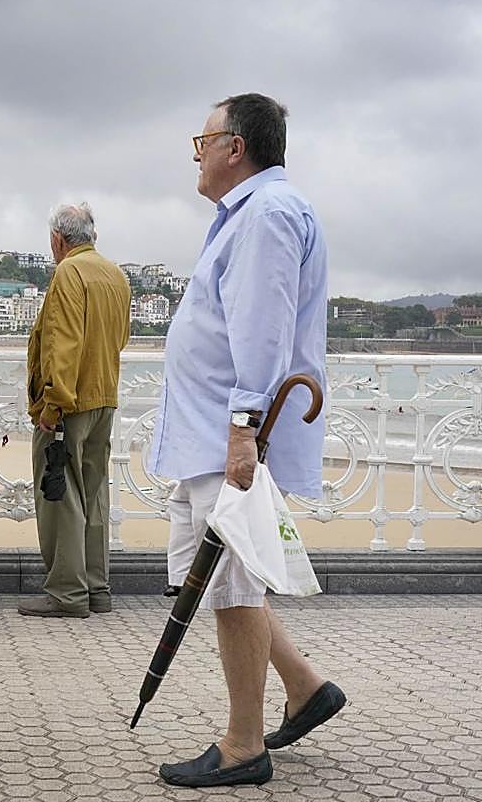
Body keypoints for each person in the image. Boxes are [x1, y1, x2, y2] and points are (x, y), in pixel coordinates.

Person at [150, 94, 346, 787]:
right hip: (211, 430)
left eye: (201, 141)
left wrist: (241, 431)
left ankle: (242, 745)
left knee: (231, 583)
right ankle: (303, 685)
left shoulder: (265, 214)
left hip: (226, 434)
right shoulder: (253, 213)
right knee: (225, 579)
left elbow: (261, 331)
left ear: (235, 147)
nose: (196, 156)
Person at [19, 203, 130, 619]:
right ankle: (96, 588)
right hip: (105, 398)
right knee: (95, 491)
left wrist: (53, 403)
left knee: (60, 494)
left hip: (71, 402)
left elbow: (62, 344)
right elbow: (120, 338)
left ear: (57, 240)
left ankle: (67, 592)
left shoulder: (69, 272)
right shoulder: (115, 274)